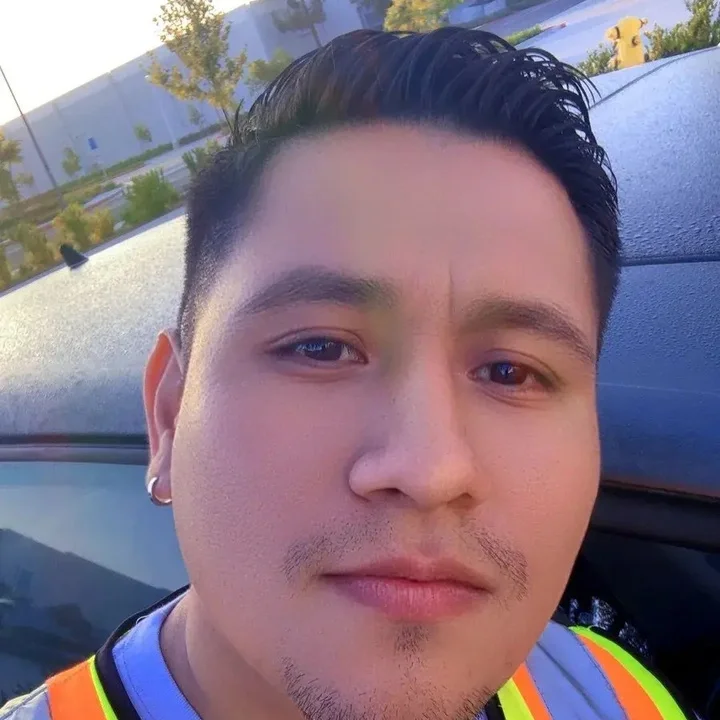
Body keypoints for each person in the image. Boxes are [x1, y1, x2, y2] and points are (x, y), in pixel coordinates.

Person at [1, 27, 697, 720]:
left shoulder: (612, 694)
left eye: (510, 371)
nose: (429, 470)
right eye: (319, 349)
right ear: (169, 415)